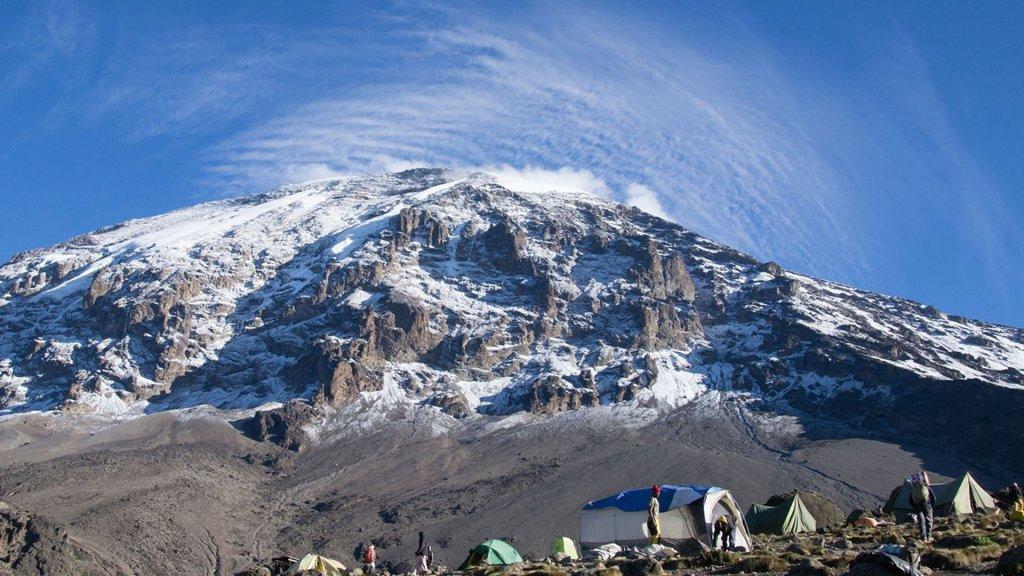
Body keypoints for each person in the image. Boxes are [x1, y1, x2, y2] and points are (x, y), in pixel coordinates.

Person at [909, 474, 935, 542]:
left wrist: (915, 507)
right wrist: (931, 506)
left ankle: (923, 538)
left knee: (921, 522)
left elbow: (910, 500)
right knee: (929, 521)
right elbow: (933, 498)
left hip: (918, 507)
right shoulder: (927, 488)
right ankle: (928, 537)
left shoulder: (914, 490)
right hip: (927, 506)